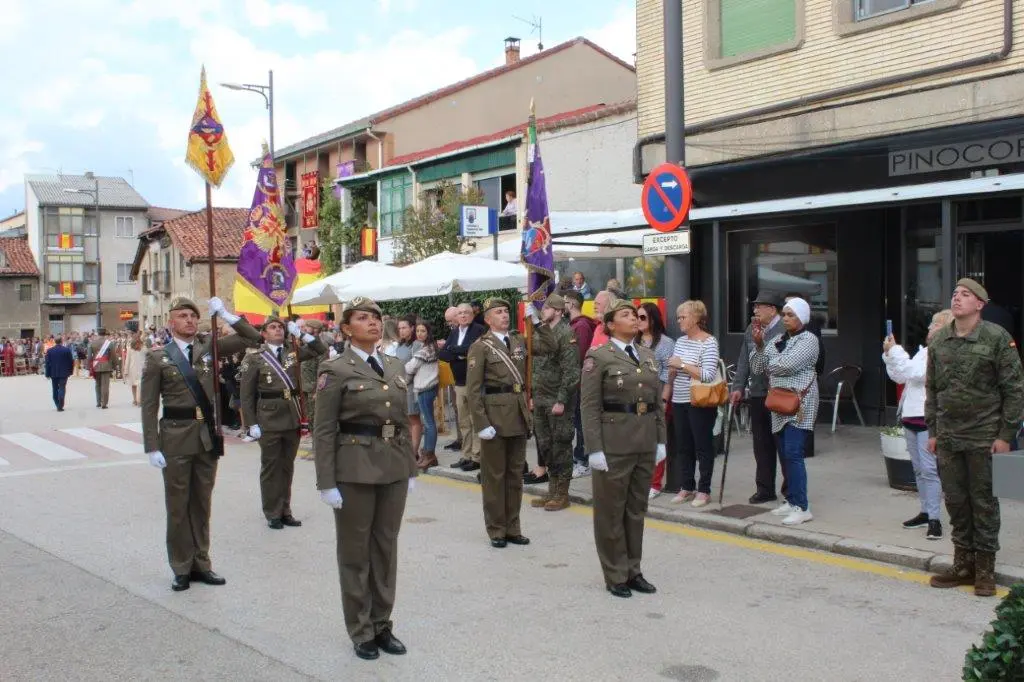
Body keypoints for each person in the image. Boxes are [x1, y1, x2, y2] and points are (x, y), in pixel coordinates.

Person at [313, 297, 417, 661]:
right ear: (346, 328)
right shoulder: (335, 369)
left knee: (385, 549)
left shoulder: (393, 364)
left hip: (393, 467)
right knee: (356, 553)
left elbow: (402, 422)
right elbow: (323, 430)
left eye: (376, 317)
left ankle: (382, 623)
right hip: (354, 469)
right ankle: (360, 629)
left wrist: (411, 466)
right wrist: (326, 481)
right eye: (362, 318)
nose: (372, 323)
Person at [140, 296, 260, 592]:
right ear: (171, 322)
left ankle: (202, 563)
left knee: (201, 504)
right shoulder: (159, 357)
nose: (189, 320)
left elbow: (253, 338)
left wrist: (227, 315)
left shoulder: (209, 346)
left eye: (193, 316)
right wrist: (152, 446)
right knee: (178, 507)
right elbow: (148, 405)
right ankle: (181, 566)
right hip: (176, 437)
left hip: (206, 436)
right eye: (182, 316)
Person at [926, 278, 1024, 597]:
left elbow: (1013, 389)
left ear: (979, 304)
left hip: (985, 435)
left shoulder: (997, 338)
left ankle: (985, 570)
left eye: (965, 295)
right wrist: (933, 431)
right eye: (955, 294)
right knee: (956, 500)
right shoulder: (940, 340)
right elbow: (932, 389)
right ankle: (962, 563)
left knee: (983, 502)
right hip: (949, 436)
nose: (957, 298)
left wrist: (1006, 434)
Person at [581, 298, 666, 598]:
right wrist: (594, 449)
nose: (634, 318)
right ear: (611, 324)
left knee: (635, 511)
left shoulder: (646, 354)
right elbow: (589, 406)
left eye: (635, 314)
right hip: (614, 443)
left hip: (643, 441)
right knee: (610, 512)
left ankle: (634, 569)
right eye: (626, 315)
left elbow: (656, 402)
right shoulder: (599, 357)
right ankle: (615, 573)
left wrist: (660, 440)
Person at [240, 316, 328, 530]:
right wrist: (251, 423)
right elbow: (246, 394)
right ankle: (272, 512)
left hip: (292, 416)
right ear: (264, 333)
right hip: (268, 418)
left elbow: (320, 349)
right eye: (273, 327)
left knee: (287, 467)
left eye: (281, 327)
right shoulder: (255, 358)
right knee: (271, 467)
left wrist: (301, 334)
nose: (278, 330)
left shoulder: (293, 352)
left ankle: (285, 510)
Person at [465, 297, 532, 548]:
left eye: (506, 311)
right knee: (495, 476)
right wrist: (481, 423)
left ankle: (513, 527)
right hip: (494, 416)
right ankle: (496, 529)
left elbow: (542, 348)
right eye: (498, 312)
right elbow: (473, 390)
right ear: (488, 319)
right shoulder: (481, 347)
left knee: (515, 475)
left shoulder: (517, 340)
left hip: (517, 413)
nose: (505, 315)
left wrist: (538, 319)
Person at [883, 309, 953, 541]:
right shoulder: (924, 352)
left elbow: (915, 373)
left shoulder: (943, 352)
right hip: (911, 416)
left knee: (930, 470)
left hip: (927, 418)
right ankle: (925, 512)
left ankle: (934, 519)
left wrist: (895, 350)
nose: (929, 329)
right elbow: (900, 376)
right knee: (918, 470)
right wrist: (889, 356)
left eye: (934, 325)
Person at [750, 297, 819, 527]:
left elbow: (788, 365)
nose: (787, 319)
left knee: (793, 453)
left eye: (791, 315)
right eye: (786, 315)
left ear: (802, 318)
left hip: (800, 405)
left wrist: (771, 358)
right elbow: (757, 368)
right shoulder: (777, 339)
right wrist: (760, 345)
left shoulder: (809, 340)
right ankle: (791, 500)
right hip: (779, 403)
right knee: (784, 453)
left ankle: (802, 506)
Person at [730, 291, 788, 504]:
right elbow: (744, 359)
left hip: (779, 393)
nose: (755, 310)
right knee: (761, 444)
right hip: (757, 393)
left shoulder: (785, 329)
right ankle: (764, 489)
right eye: (755, 307)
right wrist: (738, 386)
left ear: (772, 310)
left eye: (759, 307)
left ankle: (790, 491)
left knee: (782, 443)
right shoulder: (751, 329)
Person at [524, 293, 580, 511]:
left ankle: (562, 493)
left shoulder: (566, 333)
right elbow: (534, 364)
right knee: (545, 446)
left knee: (561, 446)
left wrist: (562, 400)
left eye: (546, 308)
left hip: (557, 399)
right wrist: (531, 396)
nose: (542, 311)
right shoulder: (541, 333)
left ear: (557, 311)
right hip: (540, 397)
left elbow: (571, 371)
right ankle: (551, 491)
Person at [665, 300, 720, 508]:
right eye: (678, 317)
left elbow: (707, 374)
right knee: (683, 446)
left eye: (683, 317)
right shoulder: (680, 341)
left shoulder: (709, 342)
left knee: (703, 446)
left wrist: (682, 365)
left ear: (696, 318)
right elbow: (677, 368)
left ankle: (704, 490)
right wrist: (674, 372)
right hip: (679, 398)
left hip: (700, 400)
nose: (679, 320)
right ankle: (686, 486)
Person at [438, 303, 486, 471]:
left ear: (472, 314)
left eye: (466, 312)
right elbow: (443, 354)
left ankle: (477, 456)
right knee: (464, 422)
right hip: (458, 383)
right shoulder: (454, 332)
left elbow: (474, 350)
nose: (464, 315)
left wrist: (455, 351)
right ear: (456, 317)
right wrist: (459, 352)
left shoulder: (479, 330)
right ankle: (466, 455)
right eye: (460, 313)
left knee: (475, 421)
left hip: (474, 383)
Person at [636, 303, 675, 499]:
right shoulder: (633, 341)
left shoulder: (666, 343)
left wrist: (664, 400)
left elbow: (669, 375)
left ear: (653, 319)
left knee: (656, 441)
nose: (638, 321)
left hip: (657, 395)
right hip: (634, 396)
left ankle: (655, 483)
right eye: (636, 317)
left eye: (642, 317)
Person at [565, 290, 598, 478]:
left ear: (570, 304)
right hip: (574, 382)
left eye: (564, 303)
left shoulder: (582, 326)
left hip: (580, 383)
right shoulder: (574, 325)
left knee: (581, 424)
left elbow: (580, 355)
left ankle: (583, 460)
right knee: (577, 423)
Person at [405, 321, 440, 470]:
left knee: (428, 423)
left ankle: (429, 455)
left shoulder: (425, 350)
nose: (419, 333)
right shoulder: (428, 347)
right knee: (428, 422)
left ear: (429, 333)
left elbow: (410, 366)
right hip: (426, 387)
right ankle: (427, 454)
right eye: (418, 331)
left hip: (425, 388)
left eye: (423, 331)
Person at [391, 315, 423, 468]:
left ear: (412, 328)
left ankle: (414, 451)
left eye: (404, 327)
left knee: (414, 419)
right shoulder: (400, 345)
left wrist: (405, 381)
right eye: (399, 328)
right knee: (406, 420)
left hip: (411, 387)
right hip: (400, 386)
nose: (402, 331)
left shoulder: (416, 345)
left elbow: (416, 367)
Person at [89, 328, 118, 408]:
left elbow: (89, 356)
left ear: (98, 333)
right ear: (105, 333)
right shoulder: (109, 343)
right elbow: (113, 355)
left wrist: (89, 367)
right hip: (106, 365)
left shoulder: (92, 342)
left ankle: (98, 402)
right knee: (105, 385)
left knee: (97, 384)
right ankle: (104, 403)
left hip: (96, 365)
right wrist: (115, 365)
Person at [44, 337, 75, 411]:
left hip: (53, 372)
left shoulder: (50, 351)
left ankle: (57, 403)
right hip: (64, 372)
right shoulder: (66, 350)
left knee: (55, 388)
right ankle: (61, 403)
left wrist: (47, 374)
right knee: (62, 387)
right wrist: (70, 371)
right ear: (61, 341)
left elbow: (47, 363)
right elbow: (71, 362)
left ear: (55, 342)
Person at [124, 333, 146, 406]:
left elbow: (128, 360)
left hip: (137, 368)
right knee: (136, 385)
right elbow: (127, 360)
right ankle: (137, 399)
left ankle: (137, 399)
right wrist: (126, 370)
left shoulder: (142, 348)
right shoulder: (132, 348)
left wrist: (126, 371)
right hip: (137, 368)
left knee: (137, 385)